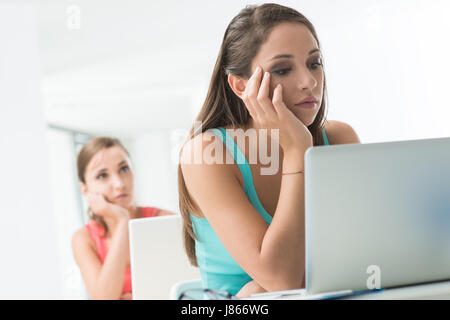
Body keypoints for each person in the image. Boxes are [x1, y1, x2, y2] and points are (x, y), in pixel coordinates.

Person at [178, 3, 361, 298]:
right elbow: (284, 281)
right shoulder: (206, 154)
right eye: (283, 69)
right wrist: (297, 150)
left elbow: (363, 251)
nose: (309, 81)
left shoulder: (339, 138)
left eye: (314, 63)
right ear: (241, 86)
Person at [72, 137, 174, 300]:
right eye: (102, 176)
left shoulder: (164, 221)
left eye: (124, 169)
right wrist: (122, 220)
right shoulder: (83, 239)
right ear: (85, 189)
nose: (119, 183)